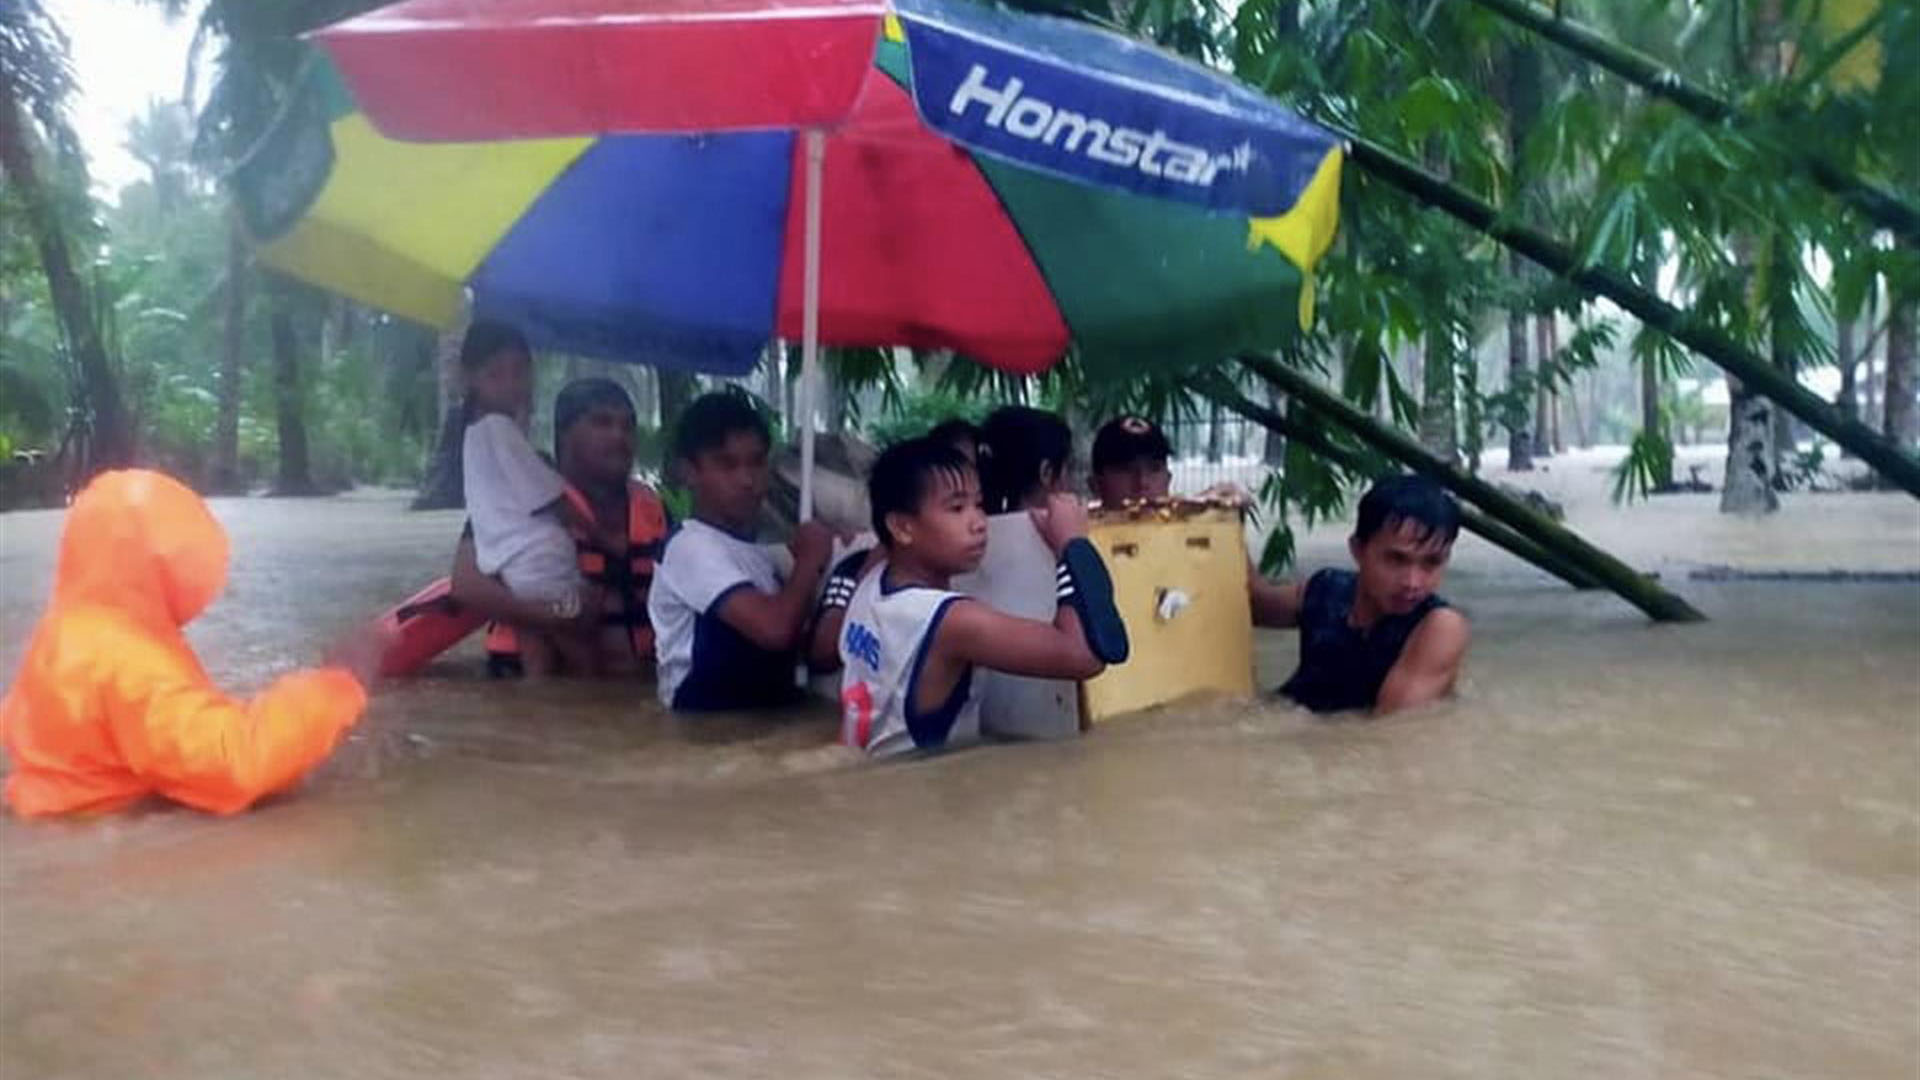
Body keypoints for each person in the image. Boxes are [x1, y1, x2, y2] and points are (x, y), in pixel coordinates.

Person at [0, 470, 380, 817]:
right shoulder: (128, 659)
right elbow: (234, 764)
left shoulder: (61, 632)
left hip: (45, 815)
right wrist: (339, 683)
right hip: (107, 840)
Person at [1087, 415, 1470, 714]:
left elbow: (1382, 736)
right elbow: (1250, 603)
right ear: (1358, 550)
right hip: (1283, 730)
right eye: (1396, 559)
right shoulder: (1326, 591)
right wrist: (1219, 526)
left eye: (1432, 562)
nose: (1413, 581)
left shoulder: (1439, 628)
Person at [838, 437, 1124, 757]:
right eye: (957, 508)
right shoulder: (951, 621)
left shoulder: (870, 585)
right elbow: (1084, 655)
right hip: (926, 795)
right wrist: (1071, 544)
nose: (979, 523)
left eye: (979, 504)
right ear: (901, 527)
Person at [450, 377, 670, 677]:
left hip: (635, 686)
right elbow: (466, 586)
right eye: (602, 423)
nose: (620, 436)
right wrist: (555, 618)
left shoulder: (653, 508)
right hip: (531, 690)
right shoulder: (516, 497)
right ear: (563, 434)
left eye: (628, 426)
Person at [648, 390, 833, 711]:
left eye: (757, 462)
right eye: (727, 464)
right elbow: (774, 630)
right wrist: (810, 561)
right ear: (688, 472)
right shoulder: (690, 546)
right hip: (702, 731)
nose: (747, 480)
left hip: (749, 729)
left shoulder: (754, 553)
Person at [458, 321, 610, 677]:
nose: (512, 384)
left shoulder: (477, 434)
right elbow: (553, 497)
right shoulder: (501, 432)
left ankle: (537, 706)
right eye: (497, 374)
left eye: (520, 373)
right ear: (470, 379)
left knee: (536, 658)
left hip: (513, 568)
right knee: (586, 662)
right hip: (539, 561)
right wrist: (600, 535)